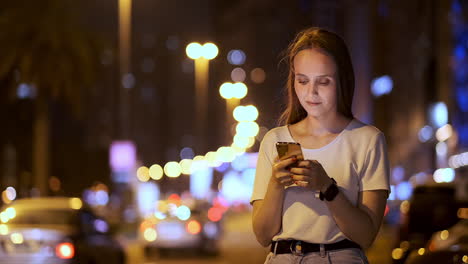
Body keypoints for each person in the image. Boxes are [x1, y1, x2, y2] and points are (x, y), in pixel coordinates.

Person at [251, 27, 390, 264]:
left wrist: (327, 186)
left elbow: (366, 235)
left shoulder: (367, 139)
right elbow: (263, 235)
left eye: (323, 82)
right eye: (302, 80)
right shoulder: (275, 140)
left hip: (340, 257)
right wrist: (276, 183)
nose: (311, 92)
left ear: (342, 81)